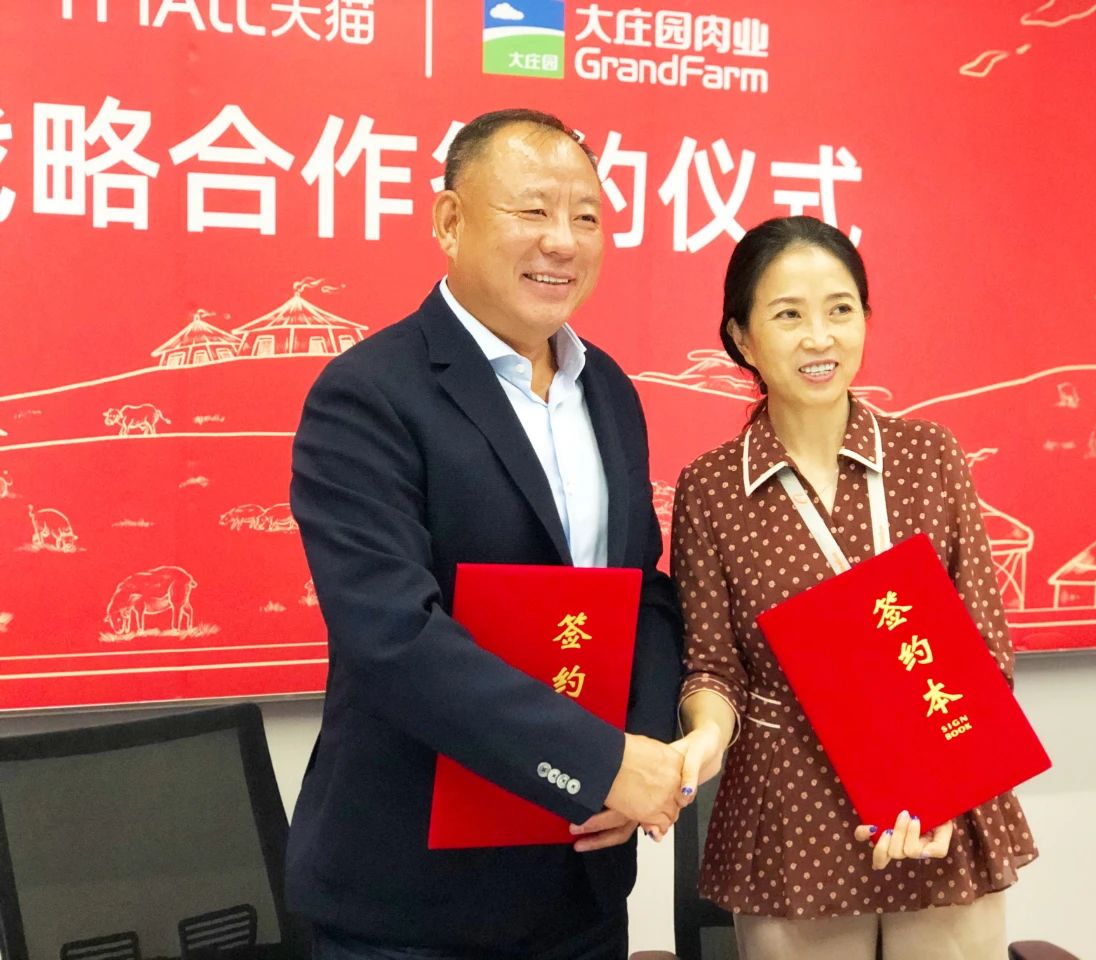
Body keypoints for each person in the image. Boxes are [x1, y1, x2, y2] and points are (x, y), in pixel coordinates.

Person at [286, 109, 685, 960]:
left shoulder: (608, 390)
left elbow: (641, 589)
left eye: (586, 216)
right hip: (414, 904)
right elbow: (393, 637)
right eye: (532, 210)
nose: (563, 241)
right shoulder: (368, 394)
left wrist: (644, 747)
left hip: (580, 884)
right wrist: (601, 762)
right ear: (449, 221)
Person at [670, 216, 1037, 960]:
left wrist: (942, 787)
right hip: (791, 814)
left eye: (840, 309)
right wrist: (704, 736)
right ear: (742, 338)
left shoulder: (929, 457)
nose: (820, 338)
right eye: (788, 315)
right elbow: (713, 666)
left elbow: (982, 649)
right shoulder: (711, 487)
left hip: (941, 812)